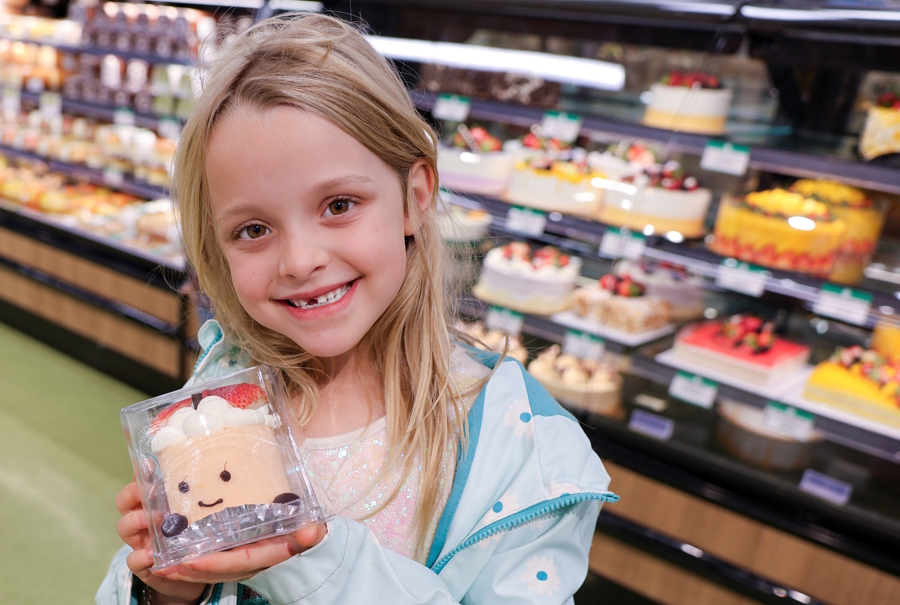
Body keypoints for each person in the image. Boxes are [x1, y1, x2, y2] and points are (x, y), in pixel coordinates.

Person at [97, 13, 617, 605]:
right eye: (254, 228)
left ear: (414, 198)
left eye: (339, 204)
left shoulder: (523, 449)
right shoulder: (223, 394)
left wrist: (313, 562)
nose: (299, 259)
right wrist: (164, 592)